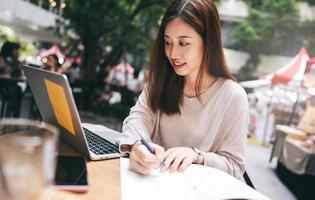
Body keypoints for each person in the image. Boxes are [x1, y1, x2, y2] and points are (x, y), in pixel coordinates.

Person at [118, 0, 249, 179]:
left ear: (208, 42)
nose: (172, 54)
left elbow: (234, 165)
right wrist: (136, 146)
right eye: (167, 42)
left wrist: (197, 156)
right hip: (150, 185)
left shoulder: (233, 96)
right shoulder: (159, 81)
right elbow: (138, 119)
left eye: (183, 43)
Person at [0, 41, 25, 117]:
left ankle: (12, 117)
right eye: (16, 49)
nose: (18, 52)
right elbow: (5, 76)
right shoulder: (2, 59)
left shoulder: (16, 62)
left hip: (12, 87)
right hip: (4, 87)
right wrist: (14, 78)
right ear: (11, 50)